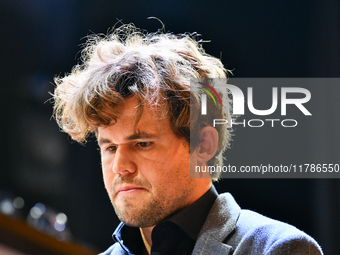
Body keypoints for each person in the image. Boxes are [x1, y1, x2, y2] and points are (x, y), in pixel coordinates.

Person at [52, 24, 323, 254]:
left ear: (204, 145)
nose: (120, 166)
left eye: (142, 143)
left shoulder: (279, 248)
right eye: (109, 147)